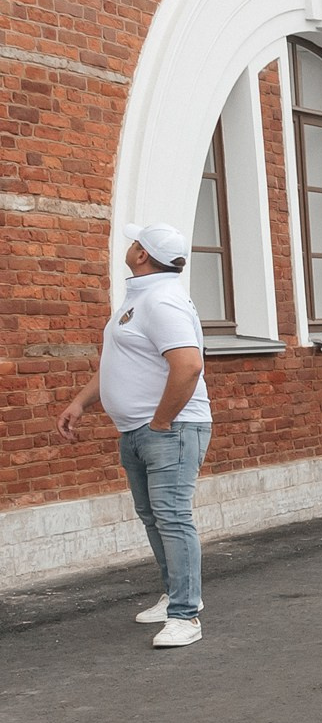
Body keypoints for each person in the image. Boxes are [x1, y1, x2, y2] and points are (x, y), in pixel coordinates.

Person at [58, 223, 213, 649]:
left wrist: (161, 422)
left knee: (173, 517)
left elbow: (189, 365)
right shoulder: (141, 299)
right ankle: (174, 598)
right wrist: (81, 402)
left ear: (143, 255)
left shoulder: (162, 301)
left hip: (170, 430)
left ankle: (187, 615)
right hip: (140, 430)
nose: (130, 246)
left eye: (135, 242)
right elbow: (118, 365)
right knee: (154, 517)